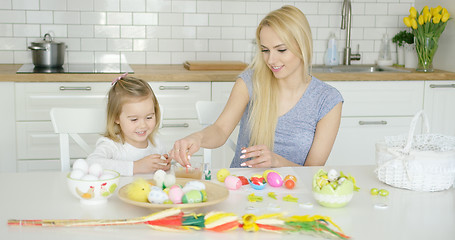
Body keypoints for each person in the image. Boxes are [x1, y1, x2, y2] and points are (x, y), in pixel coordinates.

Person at [170, 5, 343, 168]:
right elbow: (220, 130)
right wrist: (197, 138)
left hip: (293, 195)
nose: (271, 60)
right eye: (265, 50)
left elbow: (313, 171)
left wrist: (276, 161)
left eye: (281, 50)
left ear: (303, 46)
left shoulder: (327, 100)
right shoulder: (250, 82)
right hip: (242, 188)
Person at [86, 74, 170, 176]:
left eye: (149, 117)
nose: (143, 125)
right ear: (116, 117)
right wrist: (136, 166)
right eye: (134, 119)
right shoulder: (112, 145)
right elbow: (91, 163)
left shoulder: (157, 144)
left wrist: (164, 166)